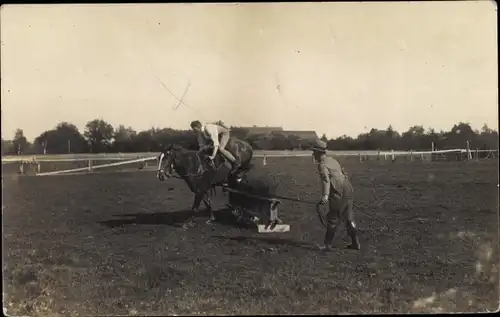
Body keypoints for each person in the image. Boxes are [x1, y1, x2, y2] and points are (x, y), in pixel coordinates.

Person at [311, 139, 361, 251]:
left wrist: (325, 195)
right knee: (348, 217)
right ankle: (355, 243)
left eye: (314, 152)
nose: (313, 154)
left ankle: (327, 245)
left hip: (339, 191)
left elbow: (325, 180)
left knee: (333, 217)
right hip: (348, 187)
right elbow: (344, 173)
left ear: (318, 152)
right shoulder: (333, 160)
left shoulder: (322, 164)